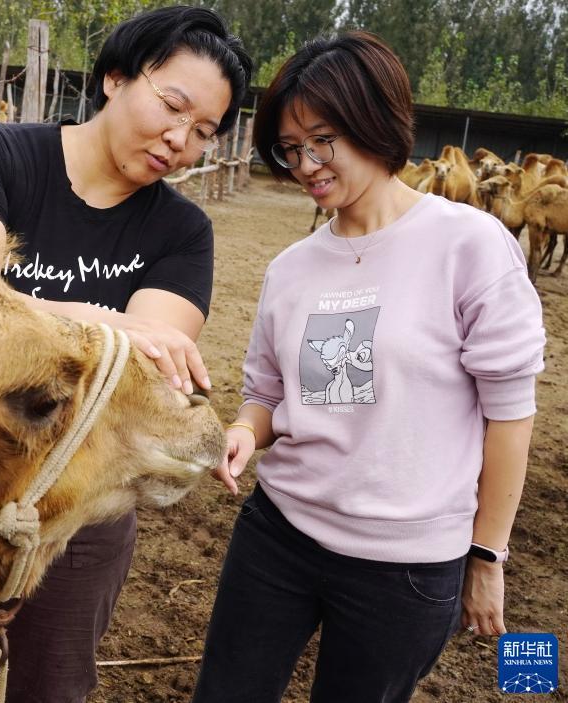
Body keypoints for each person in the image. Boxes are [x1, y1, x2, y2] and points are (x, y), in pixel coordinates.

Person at [193, 32, 545, 703]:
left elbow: (509, 414)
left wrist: (486, 554)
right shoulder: (290, 268)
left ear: (373, 121)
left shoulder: (467, 245)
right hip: (278, 533)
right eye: (290, 148)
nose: (305, 163)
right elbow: (266, 393)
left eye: (321, 138)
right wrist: (244, 431)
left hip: (406, 564)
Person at [0, 6, 251, 701]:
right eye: (171, 105)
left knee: (50, 684)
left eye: (202, 132)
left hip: (77, 499)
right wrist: (102, 319)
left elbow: (146, 363)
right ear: (115, 77)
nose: (177, 140)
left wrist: (38, 312)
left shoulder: (182, 232)